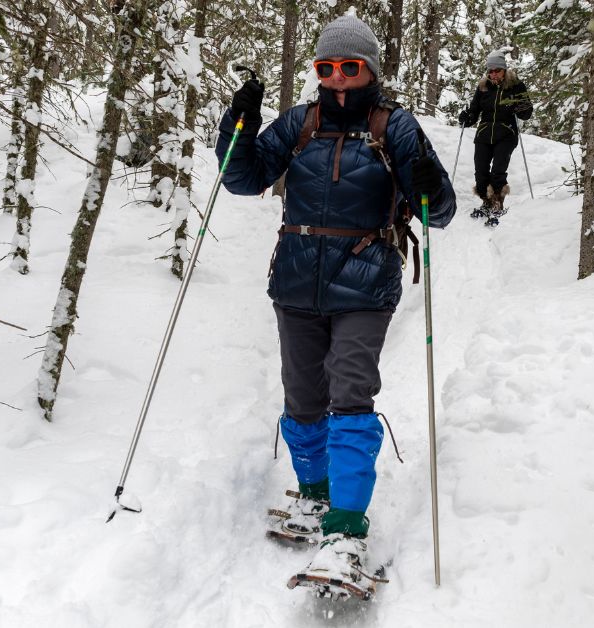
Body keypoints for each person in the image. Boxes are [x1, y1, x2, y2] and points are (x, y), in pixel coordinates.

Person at [215, 13, 456, 593]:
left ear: (369, 68)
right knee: (302, 397)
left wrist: (425, 179)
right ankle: (315, 497)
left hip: (366, 281)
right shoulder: (299, 123)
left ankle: (346, 529)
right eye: (327, 68)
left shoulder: (394, 125)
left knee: (349, 392)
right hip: (296, 280)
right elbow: (242, 178)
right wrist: (239, 123)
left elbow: (439, 210)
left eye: (349, 67)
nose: (338, 78)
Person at [458, 50, 533, 225]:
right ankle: (486, 202)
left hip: (506, 133)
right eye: (490, 71)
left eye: (496, 70)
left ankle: (497, 205)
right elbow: (475, 111)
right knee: (480, 171)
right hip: (484, 133)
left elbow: (526, 113)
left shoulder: (516, 85)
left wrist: (520, 108)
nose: (493, 74)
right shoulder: (483, 87)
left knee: (498, 171)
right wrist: (467, 117)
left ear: (504, 69)